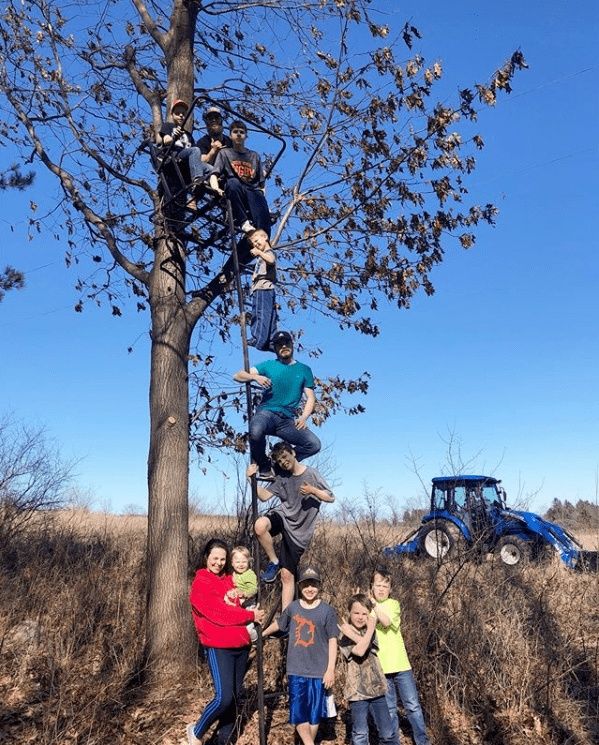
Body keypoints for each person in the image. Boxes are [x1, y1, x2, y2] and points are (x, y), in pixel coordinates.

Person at [187, 539, 265, 745]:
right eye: (215, 558)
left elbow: (243, 596)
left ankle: (222, 741)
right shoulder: (200, 583)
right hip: (218, 646)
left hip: (241, 644)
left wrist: (249, 606)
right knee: (223, 698)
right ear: (206, 558)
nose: (219, 563)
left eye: (222, 559)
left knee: (235, 697)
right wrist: (249, 616)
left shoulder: (230, 579)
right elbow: (219, 613)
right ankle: (196, 732)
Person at [247, 440, 334, 609]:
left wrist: (313, 491)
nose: (283, 462)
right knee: (259, 526)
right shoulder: (282, 477)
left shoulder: (311, 474)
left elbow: (330, 497)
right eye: (279, 461)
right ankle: (274, 561)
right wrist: (251, 479)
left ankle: (286, 620)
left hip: (299, 532)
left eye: (285, 457)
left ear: (293, 454)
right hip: (283, 517)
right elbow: (264, 496)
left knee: (287, 576)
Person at [263, 567, 337, 745]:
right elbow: (280, 625)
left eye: (313, 584)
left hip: (319, 671)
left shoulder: (327, 611)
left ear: (319, 586)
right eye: (306, 585)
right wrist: (262, 634)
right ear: (299, 586)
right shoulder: (293, 608)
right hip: (296, 670)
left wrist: (330, 670)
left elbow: (333, 641)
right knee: (298, 712)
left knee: (314, 715)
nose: (309, 589)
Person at [232, 330, 321, 479]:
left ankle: (279, 466)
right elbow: (237, 375)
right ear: (275, 348)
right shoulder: (268, 365)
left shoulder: (304, 370)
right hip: (267, 413)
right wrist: (255, 377)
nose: (284, 346)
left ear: (292, 344)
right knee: (255, 431)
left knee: (314, 444)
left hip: (287, 421)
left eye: (286, 342)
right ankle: (265, 466)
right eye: (280, 344)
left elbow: (310, 397)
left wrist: (304, 417)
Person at [370, 567, 430, 745]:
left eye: (385, 586)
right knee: (389, 710)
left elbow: (387, 622)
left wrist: (373, 604)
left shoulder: (393, 604)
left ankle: (422, 741)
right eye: (377, 585)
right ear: (371, 587)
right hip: (381, 666)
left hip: (401, 666)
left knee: (412, 706)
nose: (381, 589)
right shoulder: (367, 607)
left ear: (390, 589)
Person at [338, 594, 400, 745]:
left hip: (377, 689)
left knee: (387, 733)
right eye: (356, 613)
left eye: (365, 614)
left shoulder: (369, 631)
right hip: (356, 692)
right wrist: (368, 629)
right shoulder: (343, 635)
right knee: (360, 733)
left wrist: (369, 629)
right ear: (349, 613)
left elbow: (366, 645)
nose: (360, 617)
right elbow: (359, 651)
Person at [209, 119, 271, 236]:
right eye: (235, 132)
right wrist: (216, 188)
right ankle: (244, 222)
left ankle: (260, 242)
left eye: (241, 132)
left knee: (264, 223)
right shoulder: (225, 153)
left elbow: (261, 183)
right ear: (230, 135)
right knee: (232, 183)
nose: (238, 134)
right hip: (236, 188)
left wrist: (262, 196)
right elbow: (214, 173)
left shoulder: (254, 156)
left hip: (252, 190)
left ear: (246, 136)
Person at [158, 99, 216, 199]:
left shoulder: (188, 135)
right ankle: (197, 180)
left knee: (211, 169)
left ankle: (212, 189)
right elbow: (165, 140)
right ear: (172, 115)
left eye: (183, 114)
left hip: (189, 162)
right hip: (175, 157)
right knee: (195, 150)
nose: (181, 115)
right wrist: (173, 137)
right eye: (177, 113)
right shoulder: (168, 126)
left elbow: (196, 155)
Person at [246, 228, 277, 351]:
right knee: (271, 316)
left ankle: (258, 337)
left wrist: (259, 253)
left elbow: (271, 260)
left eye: (256, 240)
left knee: (260, 313)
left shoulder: (268, 253)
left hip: (263, 288)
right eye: (253, 243)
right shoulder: (262, 256)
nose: (255, 244)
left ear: (265, 237)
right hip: (264, 288)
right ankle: (272, 341)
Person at [227, 545, 258, 643]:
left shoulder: (249, 574)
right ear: (232, 563)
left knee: (248, 628)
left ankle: (255, 641)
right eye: (237, 562)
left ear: (248, 562)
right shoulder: (232, 574)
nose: (241, 565)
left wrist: (244, 593)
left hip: (248, 604)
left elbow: (254, 589)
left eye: (244, 562)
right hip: (237, 604)